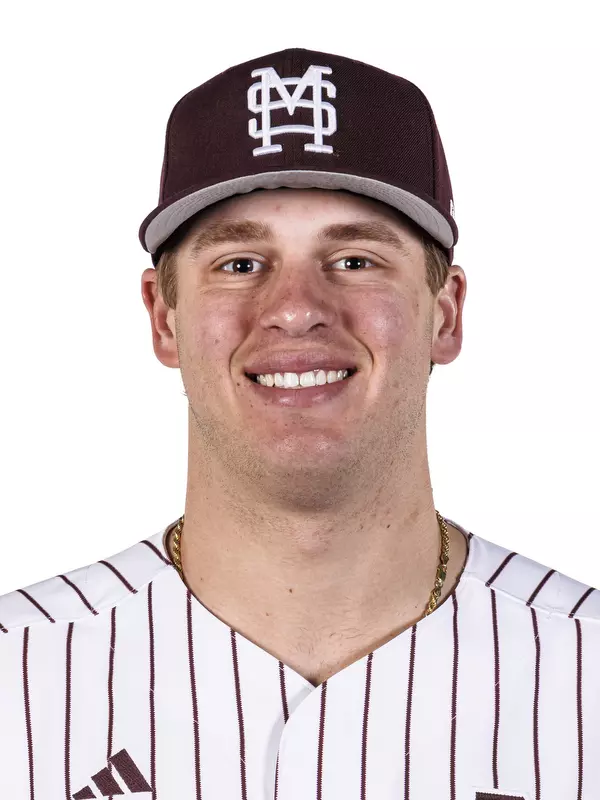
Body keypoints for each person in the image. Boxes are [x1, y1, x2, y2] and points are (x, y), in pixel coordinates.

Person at [0, 48, 598, 800]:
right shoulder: (15, 678)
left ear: (444, 315)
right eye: (241, 264)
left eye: (353, 260)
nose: (294, 307)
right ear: (163, 317)